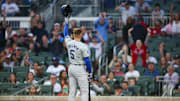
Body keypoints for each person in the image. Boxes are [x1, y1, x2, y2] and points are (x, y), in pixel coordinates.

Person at [63, 11, 92, 101]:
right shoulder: (83, 46)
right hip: (79, 68)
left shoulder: (69, 42)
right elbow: (87, 61)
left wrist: (66, 23)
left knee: (72, 91)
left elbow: (65, 34)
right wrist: (90, 72)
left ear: (74, 35)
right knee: (84, 91)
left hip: (71, 67)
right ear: (80, 34)